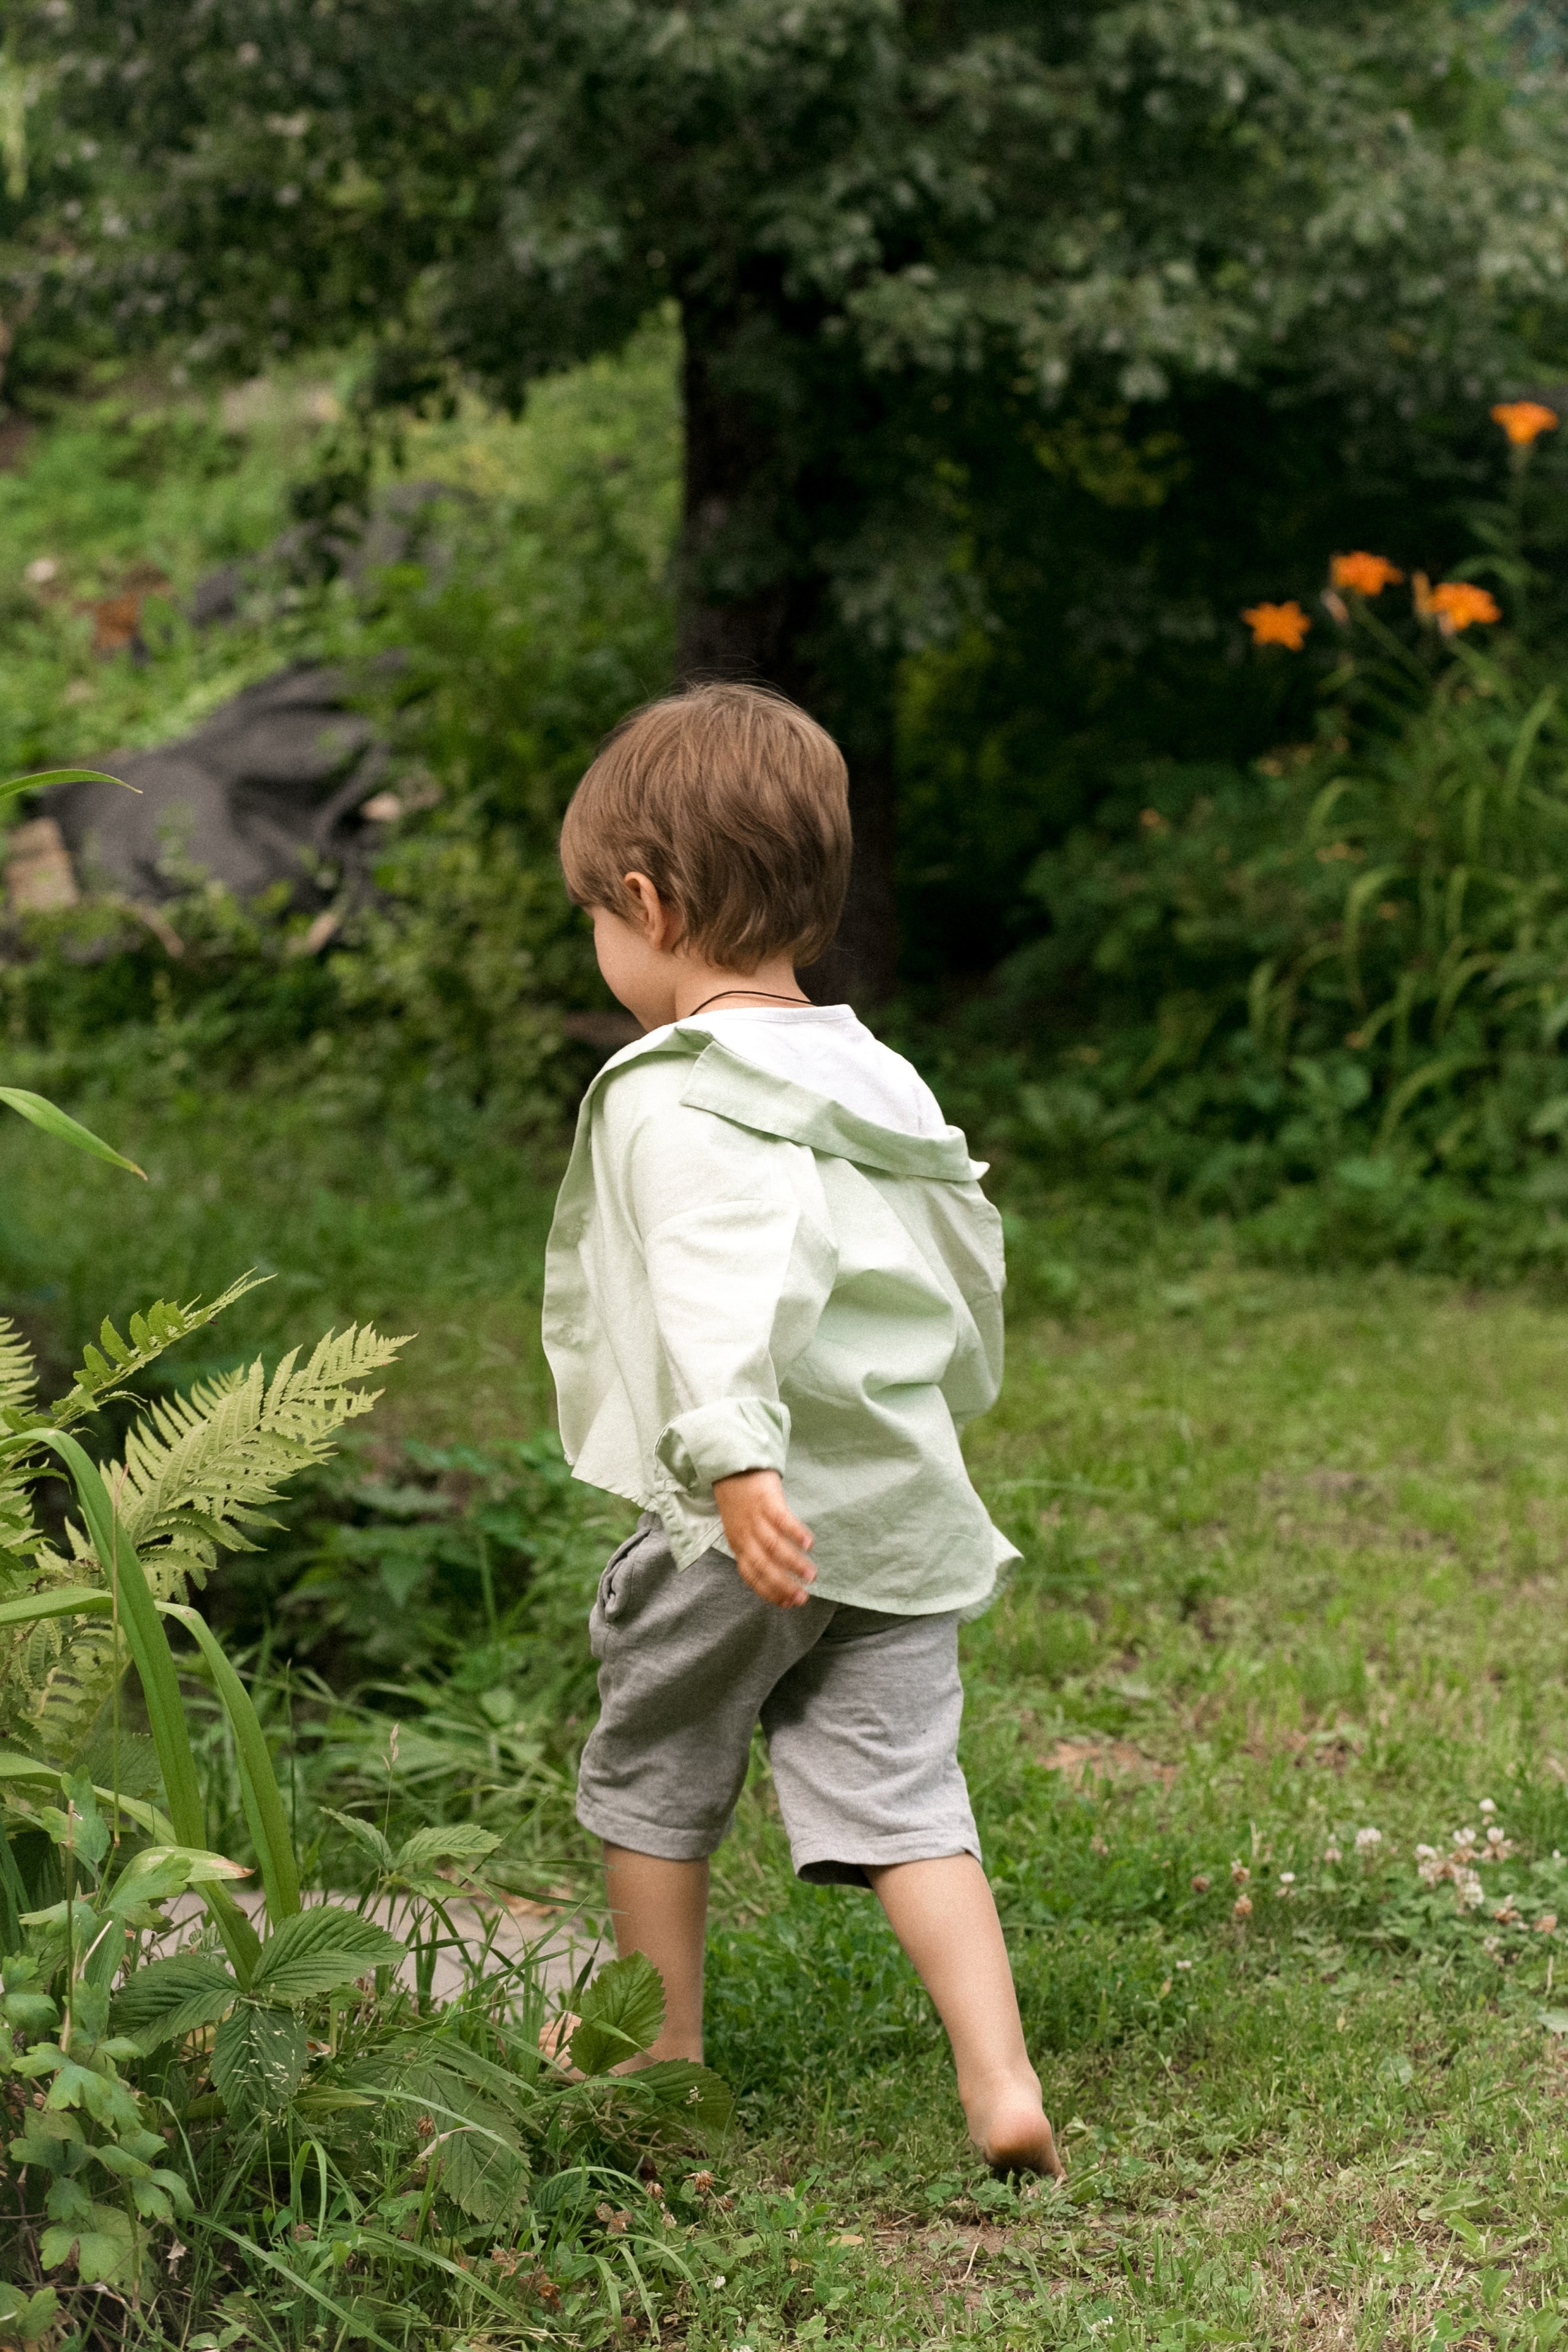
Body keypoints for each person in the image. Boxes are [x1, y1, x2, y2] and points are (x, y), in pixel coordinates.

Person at [543, 682, 1063, 2177]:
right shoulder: (871, 1071)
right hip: (899, 1510)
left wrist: (738, 1456)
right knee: (909, 1802)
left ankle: (659, 2055)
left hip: (743, 1522)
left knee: (654, 1771)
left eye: (599, 917)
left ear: (645, 900)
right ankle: (998, 2073)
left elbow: (724, 1275)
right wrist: (932, 1407)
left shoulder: (679, 1095)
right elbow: (964, 1251)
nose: (603, 943)